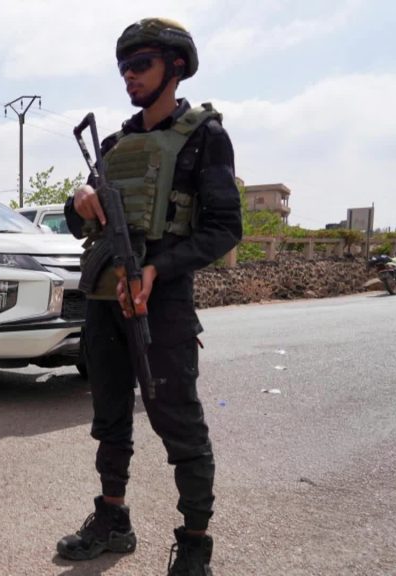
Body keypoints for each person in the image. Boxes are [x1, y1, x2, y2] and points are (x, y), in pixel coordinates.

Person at [55, 18, 242, 576]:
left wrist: (159, 268)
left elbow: (225, 229)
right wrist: (79, 200)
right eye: (123, 67)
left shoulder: (206, 136)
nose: (129, 76)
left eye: (141, 64)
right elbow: (78, 222)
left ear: (176, 66)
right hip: (105, 299)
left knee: (179, 422)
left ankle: (195, 544)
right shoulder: (113, 145)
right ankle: (112, 520)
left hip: (163, 301)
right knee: (110, 417)